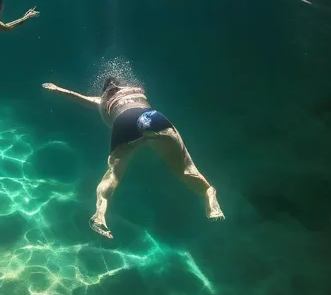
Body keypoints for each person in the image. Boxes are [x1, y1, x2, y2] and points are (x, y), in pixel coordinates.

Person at [41, 74, 223, 238]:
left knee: (112, 175)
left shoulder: (103, 99)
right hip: (151, 116)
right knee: (186, 169)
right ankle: (209, 194)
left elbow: (77, 98)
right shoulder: (136, 91)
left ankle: (99, 215)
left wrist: (57, 89)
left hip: (124, 123)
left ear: (106, 89)